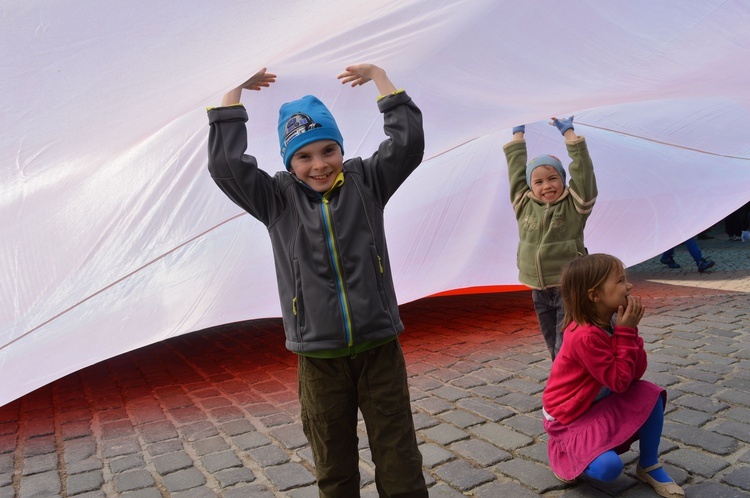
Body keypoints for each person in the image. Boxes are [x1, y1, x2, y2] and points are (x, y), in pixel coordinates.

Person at [206, 64, 428, 498]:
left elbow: (408, 144)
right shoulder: (277, 200)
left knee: (399, 457)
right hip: (319, 358)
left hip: (379, 348)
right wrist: (234, 90)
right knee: (334, 465)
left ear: (341, 150)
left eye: (328, 150)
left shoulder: (367, 182)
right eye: (304, 156)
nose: (319, 164)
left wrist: (381, 79)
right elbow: (226, 164)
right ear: (289, 161)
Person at [542, 254, 684, 498]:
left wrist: (628, 331)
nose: (628, 286)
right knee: (609, 468)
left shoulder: (612, 320)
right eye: (620, 281)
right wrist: (626, 333)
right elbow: (619, 382)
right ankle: (564, 450)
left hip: (598, 401)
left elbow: (634, 376)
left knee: (649, 394)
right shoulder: (584, 335)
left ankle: (649, 464)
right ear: (594, 295)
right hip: (570, 418)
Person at [503, 117, 597, 361]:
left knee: (566, 347)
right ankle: (565, 386)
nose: (547, 186)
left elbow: (584, 174)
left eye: (553, 178)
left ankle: (569, 389)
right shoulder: (523, 204)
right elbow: (515, 170)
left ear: (563, 180)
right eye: (539, 181)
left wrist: (569, 135)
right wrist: (517, 134)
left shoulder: (575, 206)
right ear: (529, 185)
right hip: (539, 290)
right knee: (552, 346)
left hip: (568, 288)